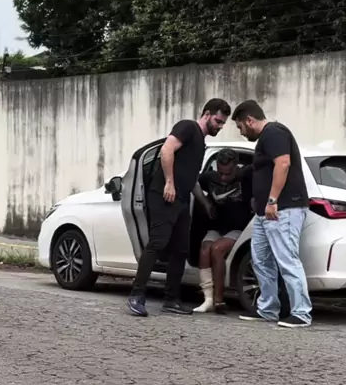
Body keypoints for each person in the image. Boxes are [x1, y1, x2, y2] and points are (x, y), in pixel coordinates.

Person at [127, 99, 232, 317]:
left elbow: (191, 179)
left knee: (181, 249)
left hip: (182, 200)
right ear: (206, 114)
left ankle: (171, 299)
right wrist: (169, 182)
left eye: (223, 123)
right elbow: (167, 150)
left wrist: (205, 203)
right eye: (218, 121)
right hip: (164, 196)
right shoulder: (187, 127)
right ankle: (136, 295)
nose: (220, 126)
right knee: (157, 243)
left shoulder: (201, 144)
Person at [231, 100, 312, 328]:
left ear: (249, 120)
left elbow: (283, 164)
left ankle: (301, 312)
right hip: (265, 213)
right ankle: (267, 309)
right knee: (260, 259)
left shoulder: (274, 132)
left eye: (240, 127)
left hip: (282, 209)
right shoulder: (267, 138)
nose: (241, 132)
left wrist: (272, 200)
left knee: (287, 260)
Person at [192, 148, 253, 314]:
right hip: (219, 226)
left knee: (217, 249)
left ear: (236, 167)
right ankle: (208, 299)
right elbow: (192, 181)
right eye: (221, 173)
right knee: (205, 249)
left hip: (240, 228)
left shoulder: (246, 176)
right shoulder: (210, 178)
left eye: (228, 174)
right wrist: (206, 203)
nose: (224, 178)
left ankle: (219, 300)